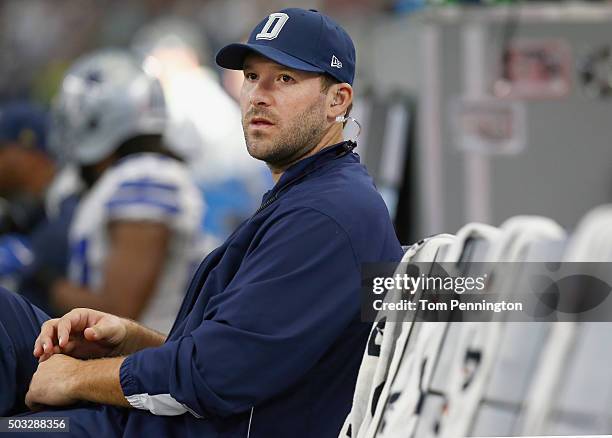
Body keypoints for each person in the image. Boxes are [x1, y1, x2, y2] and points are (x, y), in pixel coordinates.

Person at [0, 8, 403, 437]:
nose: (258, 96)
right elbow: (238, 351)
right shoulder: (309, 194)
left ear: (337, 100)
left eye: (285, 78)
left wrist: (76, 378)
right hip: (175, 408)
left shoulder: (326, 215)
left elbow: (215, 376)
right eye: (252, 76)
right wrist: (130, 338)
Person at [41, 49, 204, 332]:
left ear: (95, 117)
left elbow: (119, 314)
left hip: (141, 364)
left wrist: (43, 281)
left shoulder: (145, 175)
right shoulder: (121, 176)